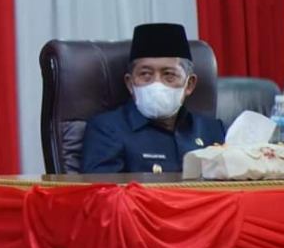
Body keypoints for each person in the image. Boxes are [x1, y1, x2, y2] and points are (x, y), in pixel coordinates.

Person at [81, 23, 225, 174]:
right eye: (146, 75)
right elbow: (104, 187)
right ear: (130, 84)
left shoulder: (213, 130)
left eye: (169, 75)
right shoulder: (108, 130)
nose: (156, 84)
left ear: (189, 84)